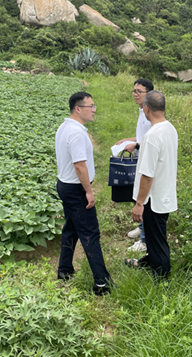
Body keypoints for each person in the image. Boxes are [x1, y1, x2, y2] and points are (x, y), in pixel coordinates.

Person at [55, 92, 113, 295]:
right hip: (76, 189)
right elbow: (80, 166)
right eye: (91, 106)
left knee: (71, 229)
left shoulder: (65, 127)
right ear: (78, 109)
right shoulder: (77, 133)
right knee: (90, 234)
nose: (94, 110)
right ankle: (102, 283)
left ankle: (64, 270)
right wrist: (89, 191)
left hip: (65, 185)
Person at [126, 90, 178, 278]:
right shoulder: (170, 128)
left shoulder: (152, 136)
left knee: (157, 240)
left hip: (153, 199)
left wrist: (139, 204)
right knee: (155, 236)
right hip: (165, 193)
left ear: (146, 109)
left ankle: (161, 278)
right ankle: (148, 263)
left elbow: (147, 175)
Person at [115, 78, 154, 252]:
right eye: (134, 91)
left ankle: (144, 240)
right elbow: (142, 136)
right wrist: (128, 140)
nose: (135, 94)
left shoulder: (149, 115)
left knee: (143, 197)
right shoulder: (141, 111)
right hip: (139, 158)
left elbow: (151, 140)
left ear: (149, 94)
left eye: (139, 91)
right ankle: (141, 227)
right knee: (137, 194)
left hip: (145, 160)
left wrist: (135, 145)